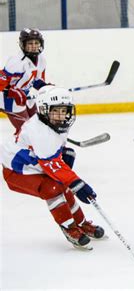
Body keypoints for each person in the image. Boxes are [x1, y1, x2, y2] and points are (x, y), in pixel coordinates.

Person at [1, 85, 105, 250]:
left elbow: (53, 153)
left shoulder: (53, 121)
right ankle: (69, 228)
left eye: (65, 111)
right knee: (54, 188)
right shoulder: (41, 133)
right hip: (17, 171)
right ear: (43, 109)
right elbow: (51, 164)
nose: (62, 116)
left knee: (63, 185)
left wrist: (63, 152)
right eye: (57, 111)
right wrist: (78, 183)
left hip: (34, 163)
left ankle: (82, 223)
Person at [1, 28, 50, 133]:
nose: (34, 46)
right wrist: (11, 91)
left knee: (40, 123)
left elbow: (35, 80)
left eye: (36, 43)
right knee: (26, 132)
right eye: (30, 43)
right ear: (23, 44)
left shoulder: (41, 60)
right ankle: (18, 148)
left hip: (25, 97)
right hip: (7, 99)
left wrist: (45, 87)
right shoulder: (16, 62)